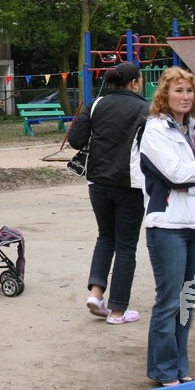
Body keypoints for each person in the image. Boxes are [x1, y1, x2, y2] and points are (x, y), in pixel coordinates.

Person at [138, 67, 195, 385]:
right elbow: (173, 173)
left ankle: (179, 365)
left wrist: (191, 179)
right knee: (169, 300)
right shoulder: (154, 131)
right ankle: (163, 369)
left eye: (189, 90)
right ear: (165, 94)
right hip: (168, 225)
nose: (185, 96)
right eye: (178, 90)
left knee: (187, 300)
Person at [67, 62, 150, 324]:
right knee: (126, 246)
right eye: (140, 80)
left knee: (105, 236)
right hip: (129, 183)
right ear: (134, 83)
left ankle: (96, 293)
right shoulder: (144, 108)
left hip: (98, 181)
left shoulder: (96, 104)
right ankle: (117, 310)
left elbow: (75, 140)